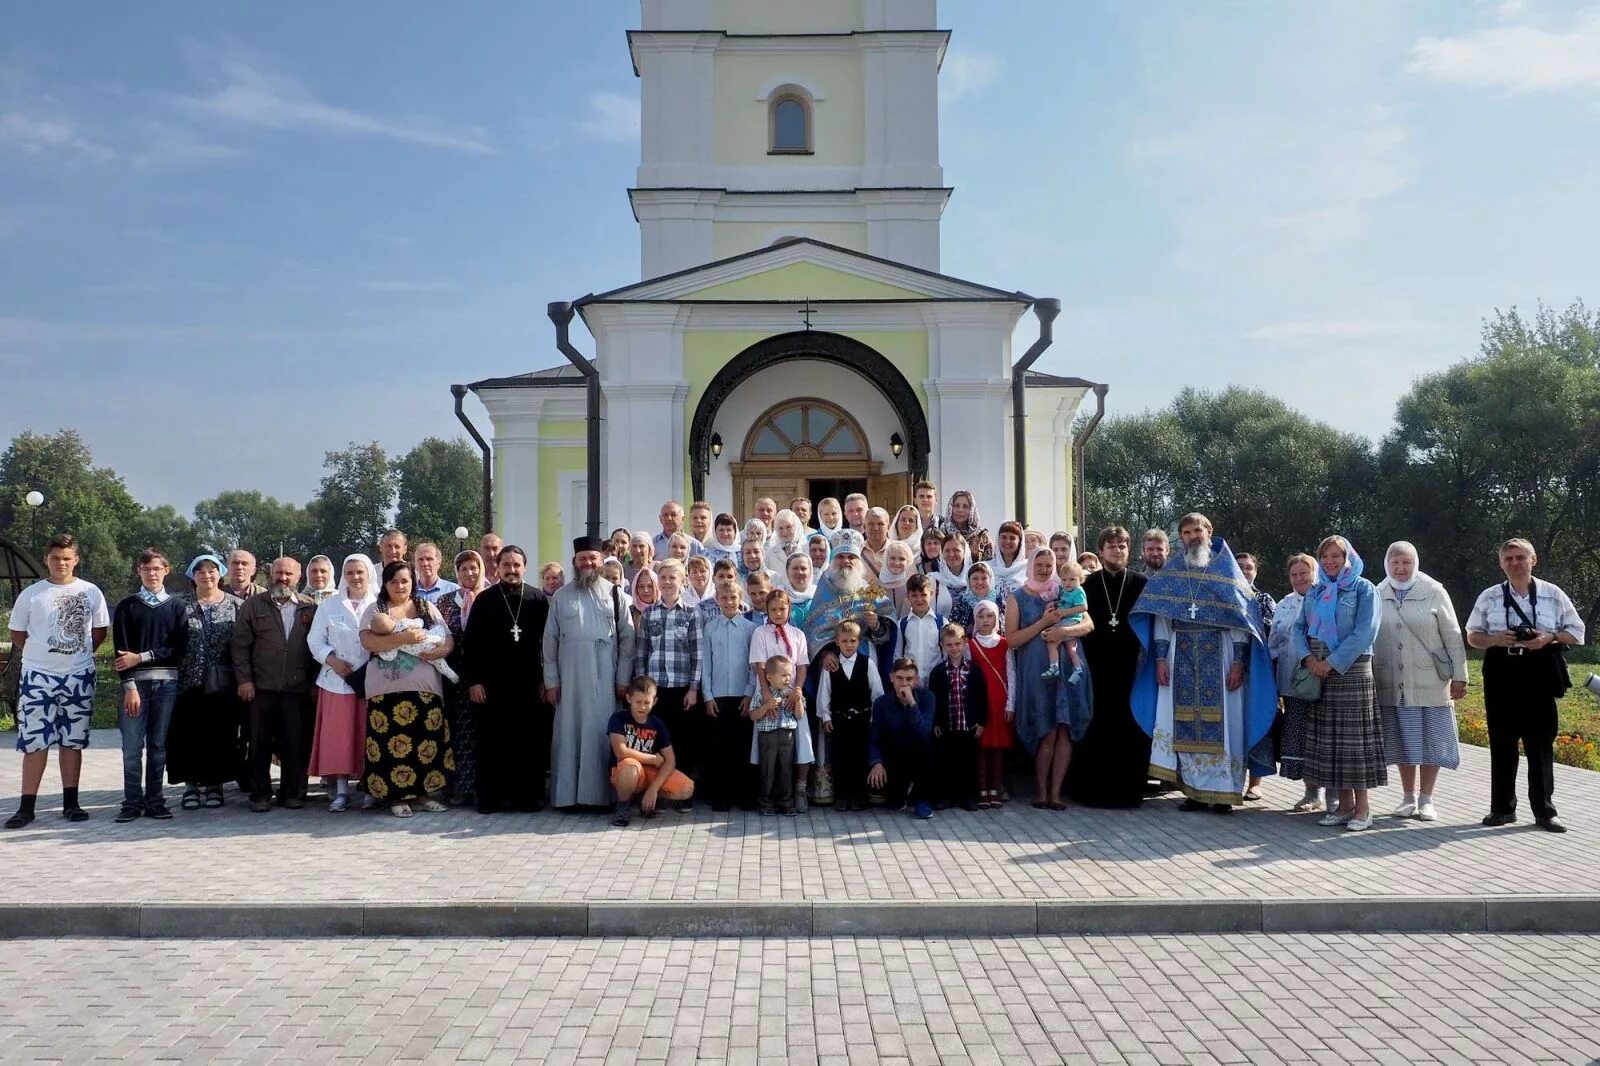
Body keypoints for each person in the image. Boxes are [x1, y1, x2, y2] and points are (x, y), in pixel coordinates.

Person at [1131, 514, 1276, 815]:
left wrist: (1238, 662)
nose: (1193, 536)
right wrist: (1159, 658)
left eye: (1198, 530)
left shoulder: (1228, 571)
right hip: (1179, 653)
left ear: (1209, 532)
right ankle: (1195, 792)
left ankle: (1224, 794)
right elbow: (1160, 618)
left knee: (1227, 727)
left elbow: (1241, 622)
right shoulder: (1171, 575)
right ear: (1180, 538)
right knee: (1184, 724)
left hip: (1221, 655)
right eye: (1186, 532)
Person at [1465, 537, 1586, 832]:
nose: (1515, 563)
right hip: (1501, 668)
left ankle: (1545, 811)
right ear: (1500, 563)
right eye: (1509, 558)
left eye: (1521, 557)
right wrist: (1495, 639)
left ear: (1533, 560)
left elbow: (1577, 631)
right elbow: (1472, 635)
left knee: (1540, 743)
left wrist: (1549, 637)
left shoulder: (1552, 594)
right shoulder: (1490, 596)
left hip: (1539, 669)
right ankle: (1502, 809)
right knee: (1502, 742)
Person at [5, 534, 109, 829]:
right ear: (46, 560)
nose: (61, 564)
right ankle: (26, 807)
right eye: (55, 559)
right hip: (38, 677)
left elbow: (100, 631)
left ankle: (71, 802)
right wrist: (40, 655)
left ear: (76, 560)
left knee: (72, 741)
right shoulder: (32, 594)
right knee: (35, 742)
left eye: (66, 558)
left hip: (78, 675)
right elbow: (17, 633)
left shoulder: (91, 592)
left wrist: (79, 654)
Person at [1371, 541, 1467, 822]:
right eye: (1395, 563)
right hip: (1391, 680)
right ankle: (1407, 797)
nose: (1400, 569)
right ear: (1387, 564)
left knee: (1430, 740)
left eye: (1406, 563)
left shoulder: (1434, 591)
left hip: (1430, 681)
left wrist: (1460, 676)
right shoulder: (1377, 592)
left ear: (1416, 563)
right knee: (1402, 739)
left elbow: (1452, 635)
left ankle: (1427, 799)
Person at [1293, 535, 1384, 831]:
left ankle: (1363, 809)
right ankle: (1343, 807)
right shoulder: (1316, 591)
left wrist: (1331, 663)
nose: (1330, 562)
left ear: (1348, 558)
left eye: (1336, 556)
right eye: (1326, 557)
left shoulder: (1363, 589)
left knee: (1354, 744)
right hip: (1319, 672)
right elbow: (1299, 627)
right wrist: (1309, 660)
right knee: (1333, 744)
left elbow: (1364, 632)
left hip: (1351, 671)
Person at [544, 537, 635, 809]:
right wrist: (552, 681)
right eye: (582, 558)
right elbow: (550, 642)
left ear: (600, 561)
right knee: (570, 734)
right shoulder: (561, 596)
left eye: (592, 558)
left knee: (601, 732)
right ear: (575, 562)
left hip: (605, 676)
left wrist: (622, 678)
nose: (587, 563)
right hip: (570, 679)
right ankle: (569, 798)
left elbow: (627, 639)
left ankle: (604, 797)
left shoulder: (615, 593)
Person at [359, 560, 455, 818]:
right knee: (392, 744)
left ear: (412, 582)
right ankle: (396, 797)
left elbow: (446, 639)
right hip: (385, 689)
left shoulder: (426, 607)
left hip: (425, 688)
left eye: (404, 580)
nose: (400, 586)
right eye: (393, 581)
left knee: (424, 741)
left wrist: (440, 651)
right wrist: (402, 639)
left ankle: (423, 795)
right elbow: (367, 641)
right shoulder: (375, 609)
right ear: (385, 584)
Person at [1065, 526, 1150, 809]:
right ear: (1101, 551)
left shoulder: (1141, 583)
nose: (1117, 550)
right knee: (1096, 723)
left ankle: (1129, 791)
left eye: (1122, 546)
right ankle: (1091, 790)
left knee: (1129, 726)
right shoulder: (1087, 585)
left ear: (1129, 550)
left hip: (1130, 667)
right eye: (1111, 546)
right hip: (1096, 666)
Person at [464, 546, 551, 813]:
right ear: (497, 567)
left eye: (516, 565)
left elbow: (549, 645)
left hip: (529, 684)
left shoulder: (538, 600)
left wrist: (547, 680)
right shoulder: (485, 600)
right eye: (506, 565)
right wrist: (474, 681)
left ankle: (527, 797)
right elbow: (472, 644)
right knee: (492, 742)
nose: (511, 570)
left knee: (528, 743)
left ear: (524, 567)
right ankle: (491, 798)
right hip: (493, 685)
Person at [1007, 548, 1094, 810]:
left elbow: (1088, 624)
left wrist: (1064, 632)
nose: (1044, 569)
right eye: (1040, 564)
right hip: (1037, 672)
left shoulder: (1064, 591)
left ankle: (1056, 793)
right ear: (1031, 565)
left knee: (1064, 731)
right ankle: (1041, 791)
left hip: (1068, 670)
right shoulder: (1018, 597)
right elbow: (1012, 639)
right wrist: (1043, 623)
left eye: (1049, 565)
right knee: (1046, 732)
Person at [229, 557, 318, 812]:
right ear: (270, 575)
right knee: (259, 744)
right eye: (279, 573)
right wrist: (244, 680)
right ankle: (260, 794)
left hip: (297, 690)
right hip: (261, 688)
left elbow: (317, 650)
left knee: (295, 743)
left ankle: (293, 793)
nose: (283, 578)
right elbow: (240, 646)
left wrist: (313, 684)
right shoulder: (253, 606)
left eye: (289, 574)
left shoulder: (309, 608)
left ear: (298, 577)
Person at [108, 548, 188, 823]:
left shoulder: (177, 607)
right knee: (132, 747)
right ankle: (132, 802)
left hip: (166, 684)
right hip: (136, 687)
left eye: (157, 568)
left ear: (166, 570)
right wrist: (129, 685)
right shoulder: (127, 606)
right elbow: (121, 652)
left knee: (158, 745)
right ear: (138, 572)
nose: (152, 573)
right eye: (146, 569)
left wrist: (141, 657)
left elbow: (178, 648)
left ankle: (155, 800)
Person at [166, 555, 245, 811]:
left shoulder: (236, 605)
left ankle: (215, 785)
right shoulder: (179, 604)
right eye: (200, 571)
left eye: (212, 570)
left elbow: (244, 644)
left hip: (223, 683)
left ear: (220, 574)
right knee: (187, 735)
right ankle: (190, 785)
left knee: (220, 734)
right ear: (192, 575)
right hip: (187, 681)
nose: (206, 575)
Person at [306, 554, 376, 812]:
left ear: (369, 574)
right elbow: (315, 640)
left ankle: (371, 789)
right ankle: (342, 791)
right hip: (337, 680)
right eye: (350, 573)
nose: (355, 577)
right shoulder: (329, 605)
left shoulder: (378, 604)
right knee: (340, 737)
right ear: (343, 576)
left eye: (360, 572)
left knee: (368, 735)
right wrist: (333, 661)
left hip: (371, 679)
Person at [631, 559, 703, 796]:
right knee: (655, 742)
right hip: (655, 691)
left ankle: (682, 793)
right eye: (663, 578)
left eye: (673, 578)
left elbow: (697, 654)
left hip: (682, 689)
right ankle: (655, 791)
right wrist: (641, 688)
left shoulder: (692, 613)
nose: (668, 582)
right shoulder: (649, 613)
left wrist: (693, 689)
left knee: (682, 741)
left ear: (683, 581)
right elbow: (641, 652)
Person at [747, 589, 812, 810]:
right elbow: (759, 665)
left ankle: (797, 791)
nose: (777, 613)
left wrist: (797, 691)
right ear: (767, 610)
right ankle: (767, 797)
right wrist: (765, 694)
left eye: (782, 609)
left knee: (798, 742)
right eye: (773, 609)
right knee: (767, 748)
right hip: (768, 694)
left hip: (791, 694)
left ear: (789, 609)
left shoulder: (797, 634)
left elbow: (802, 666)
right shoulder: (760, 633)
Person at [1270, 554, 1325, 812]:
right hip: (1292, 683)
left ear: (1314, 573)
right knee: (1299, 736)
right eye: (1294, 574)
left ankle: (1333, 793)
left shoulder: (1326, 599)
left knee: (1323, 738)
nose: (1299, 578)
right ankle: (1311, 792)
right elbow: (1274, 642)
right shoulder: (1284, 604)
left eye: (1304, 573)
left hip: (1321, 680)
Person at [437, 549, 488, 805]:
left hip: (484, 675)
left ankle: (481, 786)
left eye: (474, 567)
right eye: (464, 568)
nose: (470, 573)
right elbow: (437, 634)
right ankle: (458, 788)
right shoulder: (445, 602)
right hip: (454, 675)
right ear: (457, 572)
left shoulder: (490, 598)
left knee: (483, 732)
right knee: (457, 731)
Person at [701, 580, 757, 812]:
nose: (729, 602)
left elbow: (754, 666)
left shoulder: (749, 629)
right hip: (718, 697)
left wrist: (748, 693)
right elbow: (706, 664)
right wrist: (708, 695)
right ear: (717, 600)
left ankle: (744, 795)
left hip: (742, 696)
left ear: (740, 598)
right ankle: (720, 796)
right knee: (719, 748)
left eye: (733, 597)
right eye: (724, 598)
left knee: (742, 747)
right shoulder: (710, 628)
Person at [609, 676, 695, 826]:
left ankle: (646, 798)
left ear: (654, 701)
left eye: (647, 702)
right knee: (630, 766)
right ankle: (623, 805)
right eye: (638, 702)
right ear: (629, 698)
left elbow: (670, 760)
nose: (642, 707)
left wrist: (653, 789)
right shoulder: (618, 718)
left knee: (687, 788)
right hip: (626, 770)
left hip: (650, 773)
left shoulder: (657, 723)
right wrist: (652, 759)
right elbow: (621, 752)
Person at [816, 619, 883, 811]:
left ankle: (859, 795)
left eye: (853, 641)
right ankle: (842, 795)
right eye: (844, 641)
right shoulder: (831, 666)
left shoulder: (867, 664)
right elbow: (824, 693)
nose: (849, 645)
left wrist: (873, 718)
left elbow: (876, 693)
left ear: (858, 642)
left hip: (862, 719)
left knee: (860, 756)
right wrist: (826, 717)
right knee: (840, 757)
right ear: (837, 642)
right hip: (839, 720)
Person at [868, 658, 938, 819]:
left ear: (916, 680)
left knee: (927, 747)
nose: (904, 683)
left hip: (921, 756)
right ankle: (901, 792)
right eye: (899, 678)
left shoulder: (928, 698)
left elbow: (924, 732)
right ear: (891, 677)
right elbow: (875, 736)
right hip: (895, 757)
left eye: (909, 679)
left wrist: (912, 704)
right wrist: (876, 762)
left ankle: (922, 799)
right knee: (894, 803)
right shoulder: (881, 703)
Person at [929, 622, 989, 811]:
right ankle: (946, 796)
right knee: (946, 761)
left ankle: (968, 797)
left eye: (957, 644)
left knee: (968, 762)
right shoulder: (938, 672)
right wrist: (936, 722)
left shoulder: (974, 670)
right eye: (949, 645)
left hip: (968, 725)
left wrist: (981, 721)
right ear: (943, 646)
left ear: (964, 643)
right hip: (947, 725)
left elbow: (981, 697)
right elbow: (934, 699)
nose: (953, 648)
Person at [968, 600, 1014, 809]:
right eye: (981, 616)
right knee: (980, 747)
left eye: (990, 616)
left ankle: (995, 788)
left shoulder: (1005, 643)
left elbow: (1011, 674)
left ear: (997, 618)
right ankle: (981, 789)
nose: (985, 620)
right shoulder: (970, 644)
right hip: (980, 702)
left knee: (997, 747)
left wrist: (1011, 704)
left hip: (1000, 701)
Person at [751, 655, 801, 815]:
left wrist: (798, 701)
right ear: (769, 677)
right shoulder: (761, 694)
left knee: (786, 769)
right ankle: (766, 803)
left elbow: (800, 715)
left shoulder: (792, 693)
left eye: (789, 675)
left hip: (787, 736)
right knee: (768, 770)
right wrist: (766, 707)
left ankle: (786, 802)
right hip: (768, 736)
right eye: (783, 675)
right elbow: (753, 715)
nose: (787, 679)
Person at [1040, 559, 1088, 683]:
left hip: (1071, 620)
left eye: (1072, 579)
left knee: (1051, 640)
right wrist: (1054, 604)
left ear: (1080, 580)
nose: (1067, 583)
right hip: (1068, 620)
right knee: (1071, 648)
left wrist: (1065, 612)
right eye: (1064, 579)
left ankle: (1054, 667)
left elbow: (1083, 607)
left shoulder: (1078, 592)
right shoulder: (1066, 591)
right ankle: (1078, 669)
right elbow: (1064, 602)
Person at [894, 574, 945, 685]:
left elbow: (946, 653)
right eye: (914, 596)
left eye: (923, 595)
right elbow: (898, 655)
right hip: (910, 681)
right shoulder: (902, 624)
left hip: (936, 680)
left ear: (931, 594)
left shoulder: (941, 622)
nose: (919, 599)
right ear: (908, 596)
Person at [944, 490, 992, 562]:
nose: (960, 510)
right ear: (951, 508)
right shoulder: (942, 533)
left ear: (972, 510)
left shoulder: (981, 535)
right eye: (957, 506)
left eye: (965, 506)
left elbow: (990, 564)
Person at [764, 509, 806, 574]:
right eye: (780, 528)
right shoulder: (770, 554)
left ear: (796, 527)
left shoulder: (806, 549)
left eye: (788, 527)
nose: (785, 532)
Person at [991, 521, 1028, 590]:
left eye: (1012, 538)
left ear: (1020, 542)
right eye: (1003, 537)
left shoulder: (1029, 567)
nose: (1007, 541)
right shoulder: (987, 567)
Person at [861, 508, 893, 575]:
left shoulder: (899, 550)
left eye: (880, 524)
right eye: (871, 524)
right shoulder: (857, 551)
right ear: (864, 527)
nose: (875, 528)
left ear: (888, 527)